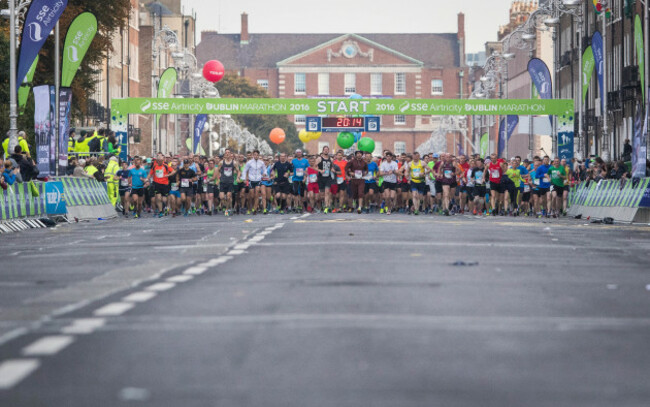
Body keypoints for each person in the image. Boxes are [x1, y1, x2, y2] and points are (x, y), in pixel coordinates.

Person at [243, 150, 266, 214]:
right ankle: (248, 208)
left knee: (256, 195)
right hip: (251, 180)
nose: (256, 156)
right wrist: (245, 178)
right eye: (255, 155)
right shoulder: (249, 162)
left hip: (258, 180)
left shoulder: (261, 162)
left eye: (257, 155)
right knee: (251, 196)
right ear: (253, 155)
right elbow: (245, 170)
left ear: (258, 155)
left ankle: (254, 209)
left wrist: (264, 173)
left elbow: (265, 169)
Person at [315, 146, 334, 213]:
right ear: (323, 151)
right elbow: (314, 167)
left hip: (328, 178)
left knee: (327, 192)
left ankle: (326, 206)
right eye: (325, 150)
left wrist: (332, 169)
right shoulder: (319, 158)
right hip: (321, 178)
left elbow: (331, 167)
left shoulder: (331, 159)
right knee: (321, 195)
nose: (326, 151)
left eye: (327, 150)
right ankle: (324, 204)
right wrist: (320, 170)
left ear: (328, 151)